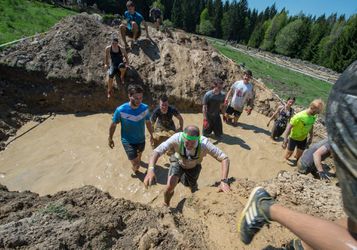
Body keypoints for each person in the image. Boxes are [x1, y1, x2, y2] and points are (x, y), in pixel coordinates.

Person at [238, 60, 357, 250]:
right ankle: (266, 205)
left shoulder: (311, 118)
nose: (316, 112)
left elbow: (310, 128)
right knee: (287, 157)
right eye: (316, 110)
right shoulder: (298, 115)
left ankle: (297, 247)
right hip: (293, 134)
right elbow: (289, 125)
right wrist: (284, 137)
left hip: (304, 137)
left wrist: (309, 136)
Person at [143, 125, 231, 206]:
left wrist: (224, 181)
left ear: (197, 139)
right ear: (183, 138)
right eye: (186, 143)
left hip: (194, 167)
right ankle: (166, 203)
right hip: (178, 161)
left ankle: (193, 196)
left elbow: (224, 158)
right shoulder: (177, 137)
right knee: (169, 186)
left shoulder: (204, 143)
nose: (189, 146)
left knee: (192, 187)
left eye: (192, 143)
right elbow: (156, 151)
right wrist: (151, 169)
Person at [108, 84, 154, 174]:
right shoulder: (120, 110)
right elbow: (113, 125)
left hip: (141, 139)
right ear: (129, 96)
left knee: (139, 159)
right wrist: (110, 138)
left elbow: (148, 122)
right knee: (137, 164)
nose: (139, 101)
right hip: (127, 141)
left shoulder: (145, 108)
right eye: (136, 98)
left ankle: (136, 167)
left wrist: (152, 135)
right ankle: (135, 169)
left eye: (141, 98)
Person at [282, 99, 324, 163]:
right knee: (288, 154)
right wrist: (285, 140)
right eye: (317, 112)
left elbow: (311, 125)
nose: (317, 113)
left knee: (299, 155)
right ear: (312, 108)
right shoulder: (299, 116)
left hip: (303, 139)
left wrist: (311, 136)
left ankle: (296, 162)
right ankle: (284, 161)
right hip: (293, 138)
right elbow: (289, 127)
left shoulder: (313, 116)